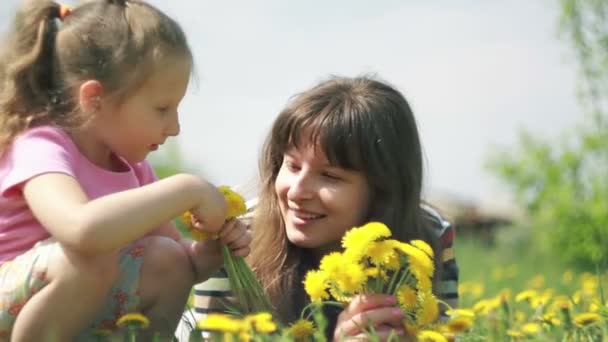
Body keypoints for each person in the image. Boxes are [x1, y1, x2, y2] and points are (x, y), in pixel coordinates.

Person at [0, 1, 251, 341]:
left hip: (73, 308)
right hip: (9, 298)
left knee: (170, 259)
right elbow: (81, 230)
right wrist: (186, 189)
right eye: (162, 109)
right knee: (92, 257)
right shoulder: (41, 147)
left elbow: (182, 265)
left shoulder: (133, 171)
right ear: (95, 98)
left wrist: (208, 252)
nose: (175, 127)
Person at [197, 75, 459, 341]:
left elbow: (444, 333)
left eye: (330, 176)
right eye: (293, 166)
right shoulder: (236, 234)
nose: (297, 192)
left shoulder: (429, 236)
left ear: (383, 189)